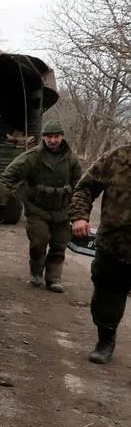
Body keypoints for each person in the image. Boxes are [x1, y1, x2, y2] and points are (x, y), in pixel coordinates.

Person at [0, 118, 82, 293]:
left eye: (56, 136)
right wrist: (0, 203)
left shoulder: (71, 159)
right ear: (43, 138)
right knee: (38, 242)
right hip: (37, 209)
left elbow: (79, 186)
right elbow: (9, 176)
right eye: (49, 136)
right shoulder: (32, 157)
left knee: (59, 245)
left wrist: (79, 212)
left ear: (62, 137)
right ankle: (36, 272)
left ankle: (53, 278)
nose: (53, 140)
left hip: (62, 210)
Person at [69, 143, 131, 364]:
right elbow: (85, 187)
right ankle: (105, 340)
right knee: (107, 298)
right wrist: (80, 216)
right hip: (114, 245)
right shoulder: (117, 157)